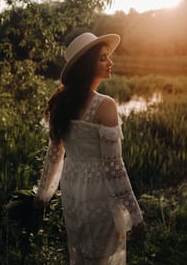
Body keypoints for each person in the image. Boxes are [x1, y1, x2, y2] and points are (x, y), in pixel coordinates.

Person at [34, 32, 144, 264]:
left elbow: (54, 156)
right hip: (98, 194)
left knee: (81, 254)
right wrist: (134, 216)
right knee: (99, 259)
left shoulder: (60, 102)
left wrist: (43, 194)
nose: (110, 62)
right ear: (86, 66)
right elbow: (114, 167)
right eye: (103, 58)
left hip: (72, 189)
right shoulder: (105, 105)